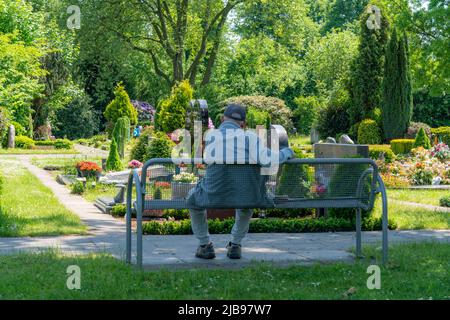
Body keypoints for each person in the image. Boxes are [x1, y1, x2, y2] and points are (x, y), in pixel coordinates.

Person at [186, 103, 294, 260]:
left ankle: (205, 245)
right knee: (246, 203)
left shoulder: (210, 137)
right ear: (243, 124)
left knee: (193, 201)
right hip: (246, 197)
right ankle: (235, 244)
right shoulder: (251, 138)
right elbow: (269, 160)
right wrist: (286, 152)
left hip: (213, 195)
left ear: (223, 119)